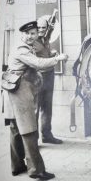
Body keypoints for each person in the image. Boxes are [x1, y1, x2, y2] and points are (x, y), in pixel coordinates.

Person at [3, 21, 68, 180]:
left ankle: (17, 166)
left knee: (16, 129)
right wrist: (58, 58)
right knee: (30, 130)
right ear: (22, 34)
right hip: (19, 90)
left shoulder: (23, 46)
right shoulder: (21, 49)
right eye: (28, 34)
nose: (31, 36)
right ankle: (36, 171)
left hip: (12, 89)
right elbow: (38, 63)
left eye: (34, 33)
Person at [34, 12, 62, 144]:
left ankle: (46, 135)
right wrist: (56, 59)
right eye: (38, 28)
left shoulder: (46, 39)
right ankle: (33, 140)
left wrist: (51, 53)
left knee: (47, 107)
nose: (40, 30)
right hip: (38, 77)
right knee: (35, 109)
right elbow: (36, 61)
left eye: (43, 28)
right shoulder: (32, 42)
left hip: (49, 76)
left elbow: (44, 55)